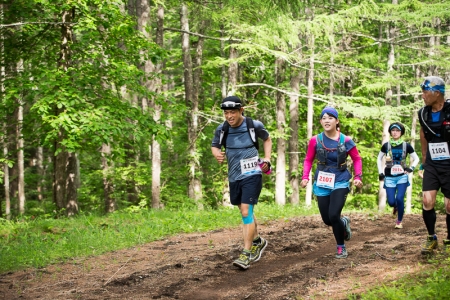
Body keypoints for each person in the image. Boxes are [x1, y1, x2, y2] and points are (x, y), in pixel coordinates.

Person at [211, 96, 272, 269]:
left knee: (246, 211)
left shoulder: (254, 125)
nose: (229, 116)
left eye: (232, 112)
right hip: (234, 175)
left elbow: (267, 139)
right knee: (245, 211)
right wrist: (216, 153)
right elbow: (215, 145)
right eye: (226, 113)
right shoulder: (222, 129)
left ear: (241, 111)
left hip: (253, 172)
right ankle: (258, 241)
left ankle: (246, 253)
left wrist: (267, 158)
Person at [300, 106, 363, 259]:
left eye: (330, 118)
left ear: (337, 121)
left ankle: (341, 247)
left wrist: (358, 177)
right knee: (328, 220)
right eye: (324, 118)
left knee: (333, 215)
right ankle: (343, 222)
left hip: (340, 180)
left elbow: (357, 159)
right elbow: (308, 159)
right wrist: (305, 176)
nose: (327, 121)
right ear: (321, 121)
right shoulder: (316, 140)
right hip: (322, 181)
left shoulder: (346, 140)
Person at [417, 76, 450, 255]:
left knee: (449, 206)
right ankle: (431, 237)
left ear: (437, 93)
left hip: (449, 165)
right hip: (432, 163)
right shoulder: (424, 113)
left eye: (425, 91)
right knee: (427, 201)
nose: (422, 95)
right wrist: (424, 160)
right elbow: (423, 134)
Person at [377, 122, 420, 229]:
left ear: (401, 133)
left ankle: (399, 221)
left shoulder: (406, 145)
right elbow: (379, 158)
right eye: (393, 130)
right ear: (390, 132)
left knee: (400, 198)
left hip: (402, 176)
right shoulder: (386, 145)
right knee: (391, 202)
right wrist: (380, 172)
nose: (395, 133)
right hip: (389, 177)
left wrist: (411, 168)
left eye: (397, 131)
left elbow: (416, 158)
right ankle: (395, 207)